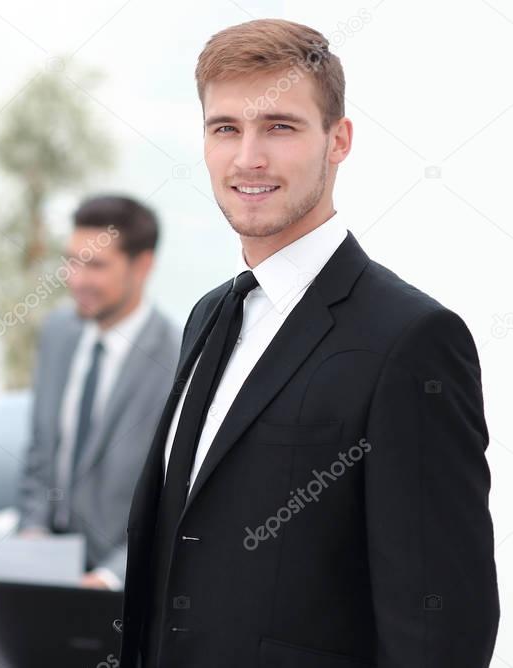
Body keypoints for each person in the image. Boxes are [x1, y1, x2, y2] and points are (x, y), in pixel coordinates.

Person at [118, 19, 499, 667]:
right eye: (225, 129)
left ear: (338, 140)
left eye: (280, 126)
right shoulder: (210, 314)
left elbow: (441, 627)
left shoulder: (410, 340)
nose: (247, 158)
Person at [0, 195, 182, 646]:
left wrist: (108, 579)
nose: (77, 280)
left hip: (117, 571)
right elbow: (38, 455)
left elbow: (174, 505)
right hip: (44, 554)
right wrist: (32, 531)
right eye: (72, 262)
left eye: (96, 266)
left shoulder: (179, 359)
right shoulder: (58, 334)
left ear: (142, 266)